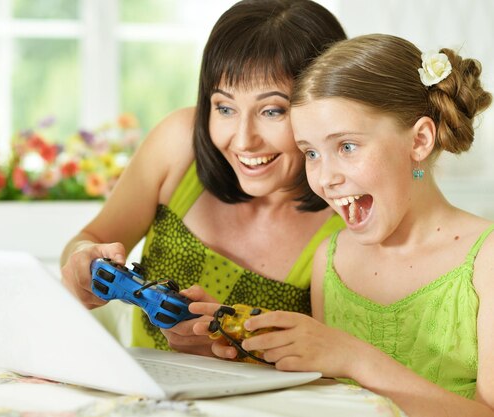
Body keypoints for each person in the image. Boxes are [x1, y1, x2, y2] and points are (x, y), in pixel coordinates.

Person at [196, 34, 493, 416]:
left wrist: (353, 358)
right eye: (311, 152)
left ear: (419, 140)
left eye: (347, 147)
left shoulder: (485, 260)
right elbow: (329, 400)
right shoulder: (332, 258)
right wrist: (253, 349)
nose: (325, 177)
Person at [60, 0, 346, 355]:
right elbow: (92, 238)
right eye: (225, 108)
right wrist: (82, 259)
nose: (243, 140)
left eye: (272, 111)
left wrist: (230, 349)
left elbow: (332, 375)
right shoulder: (179, 144)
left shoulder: (345, 225)